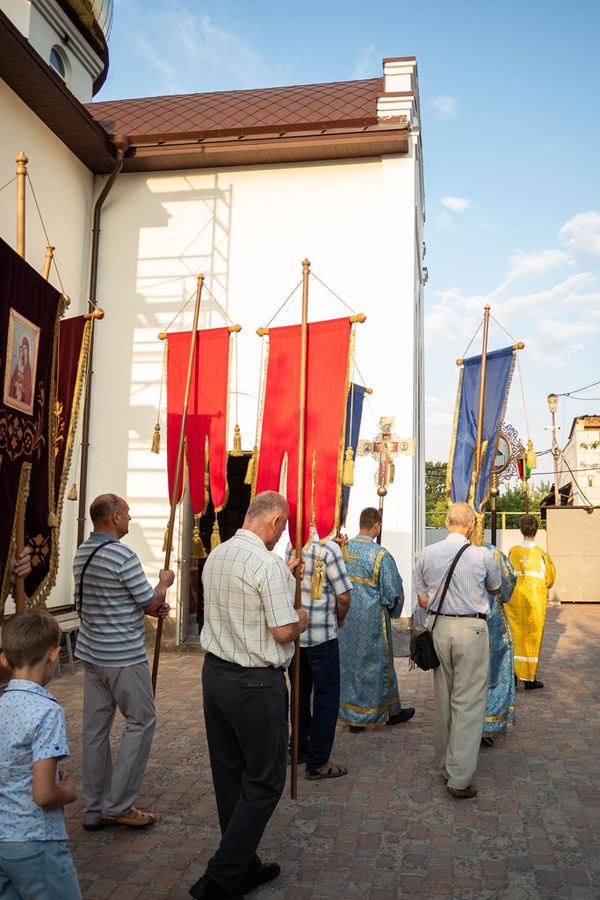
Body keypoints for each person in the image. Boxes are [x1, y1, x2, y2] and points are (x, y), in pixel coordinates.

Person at [190, 491, 308, 900]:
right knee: (264, 779)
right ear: (275, 520)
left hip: (216, 675)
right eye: (283, 526)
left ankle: (243, 866)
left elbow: (247, 606)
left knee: (230, 775)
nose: (281, 535)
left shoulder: (219, 554)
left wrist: (286, 575)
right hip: (256, 683)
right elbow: (282, 630)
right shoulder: (265, 564)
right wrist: (302, 618)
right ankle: (220, 879)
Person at [73, 493, 174, 831]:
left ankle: (94, 807)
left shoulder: (82, 552)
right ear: (114, 517)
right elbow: (147, 602)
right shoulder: (121, 554)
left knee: (94, 730)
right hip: (123, 655)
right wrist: (164, 583)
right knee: (142, 721)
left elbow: (114, 599)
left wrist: (148, 605)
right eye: (127, 513)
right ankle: (117, 805)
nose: (130, 518)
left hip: (92, 652)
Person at [414, 502, 501, 799]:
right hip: (472, 630)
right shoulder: (482, 555)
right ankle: (459, 777)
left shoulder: (427, 553)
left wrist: (441, 598)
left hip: (440, 629)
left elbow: (422, 598)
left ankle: (445, 766)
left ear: (447, 522)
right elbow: (495, 588)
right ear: (471, 526)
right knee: (469, 702)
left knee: (444, 699)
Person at [0, 609, 81, 899]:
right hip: (36, 840)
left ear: (4, 659)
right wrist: (68, 792)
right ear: (53, 655)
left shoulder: (2, 706)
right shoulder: (47, 711)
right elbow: (44, 795)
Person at [338, 507, 415, 732]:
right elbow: (393, 591)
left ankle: (363, 712)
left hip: (345, 619)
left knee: (349, 666)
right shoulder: (380, 555)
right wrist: (393, 611)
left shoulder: (344, 549)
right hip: (371, 622)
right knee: (375, 666)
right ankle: (366, 716)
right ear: (377, 526)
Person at [285, 529, 352, 779]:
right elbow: (344, 596)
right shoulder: (330, 549)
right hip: (322, 637)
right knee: (326, 699)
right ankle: (318, 761)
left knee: (299, 695)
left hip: (296, 635)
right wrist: (341, 618)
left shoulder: (294, 544)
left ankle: (299, 749)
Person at [506, 515, 556, 690]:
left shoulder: (512, 552)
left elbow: (506, 576)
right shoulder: (542, 555)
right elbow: (549, 580)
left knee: (514, 638)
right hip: (534, 604)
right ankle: (529, 678)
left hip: (514, 603)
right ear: (536, 531)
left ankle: (512, 676)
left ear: (521, 530)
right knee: (531, 639)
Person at [482, 544, 517, 744]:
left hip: (454, 621)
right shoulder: (493, 553)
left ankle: (459, 726)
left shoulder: (441, 551)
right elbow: (506, 586)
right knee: (493, 669)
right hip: (491, 620)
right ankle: (488, 723)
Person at [9, 336, 32, 406]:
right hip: (16, 392)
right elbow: (13, 378)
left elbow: (29, 389)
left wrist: (23, 389)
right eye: (23, 349)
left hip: (22, 398)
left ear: (28, 351)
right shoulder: (19, 364)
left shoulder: (28, 367)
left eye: (26, 349)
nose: (24, 351)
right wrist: (15, 383)